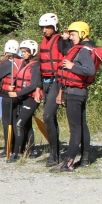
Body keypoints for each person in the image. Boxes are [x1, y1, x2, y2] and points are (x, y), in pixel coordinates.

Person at [53, 22, 97, 172]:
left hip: (75, 93)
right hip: (78, 92)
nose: (71, 38)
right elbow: (64, 48)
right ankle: (84, 159)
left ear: (83, 34)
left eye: (73, 35)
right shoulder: (83, 48)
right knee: (82, 126)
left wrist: (72, 67)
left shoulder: (83, 51)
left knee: (75, 129)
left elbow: (90, 71)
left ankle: (68, 162)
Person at [38, 13, 72, 167]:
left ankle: (54, 154)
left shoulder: (60, 41)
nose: (44, 30)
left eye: (47, 27)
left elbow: (69, 52)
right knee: (51, 119)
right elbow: (39, 66)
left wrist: (66, 39)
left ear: (55, 27)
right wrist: (38, 87)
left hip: (57, 82)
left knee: (47, 116)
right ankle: (55, 153)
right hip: (45, 83)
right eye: (43, 27)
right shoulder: (43, 42)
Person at [7, 41, 41, 163]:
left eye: (25, 52)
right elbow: (21, 80)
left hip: (31, 98)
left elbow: (33, 85)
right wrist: (14, 87)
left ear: (32, 52)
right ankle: (31, 151)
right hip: (24, 97)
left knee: (18, 124)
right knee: (27, 124)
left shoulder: (36, 66)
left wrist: (17, 93)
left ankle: (16, 153)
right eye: (22, 52)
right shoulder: (25, 64)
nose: (23, 54)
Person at [0, 40, 23, 161]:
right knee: (15, 122)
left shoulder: (7, 63)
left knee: (6, 123)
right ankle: (18, 148)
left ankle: (7, 149)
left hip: (6, 96)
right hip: (19, 95)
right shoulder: (22, 61)